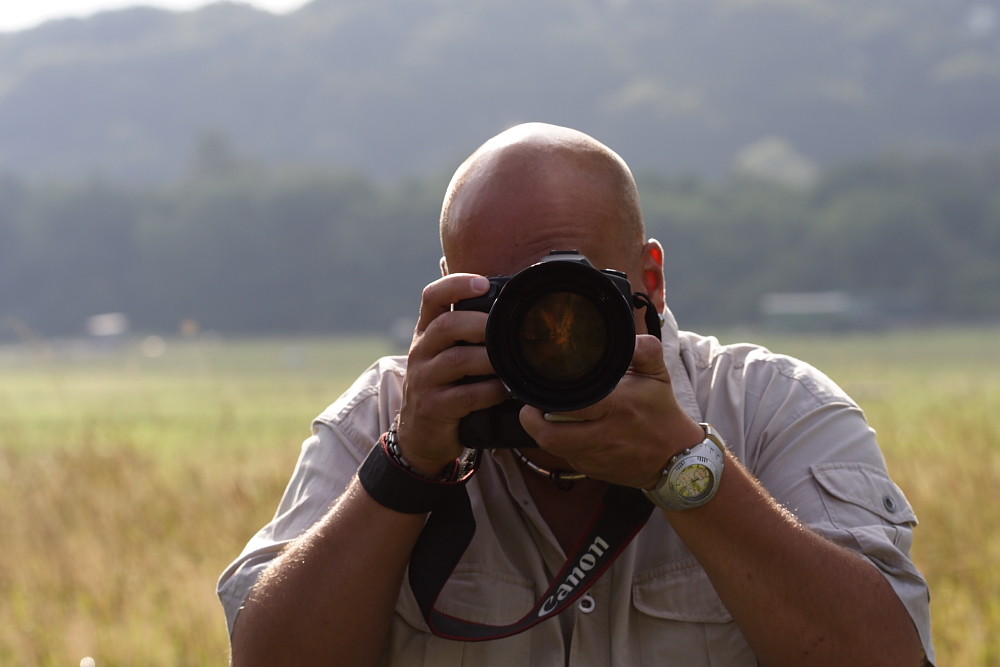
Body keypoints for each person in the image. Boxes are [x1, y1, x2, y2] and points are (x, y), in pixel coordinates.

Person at [218, 123, 935, 666]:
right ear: (451, 289)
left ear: (649, 278)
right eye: (508, 300)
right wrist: (405, 469)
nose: (551, 332)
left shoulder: (771, 409)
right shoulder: (391, 415)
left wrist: (686, 470)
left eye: (574, 291)